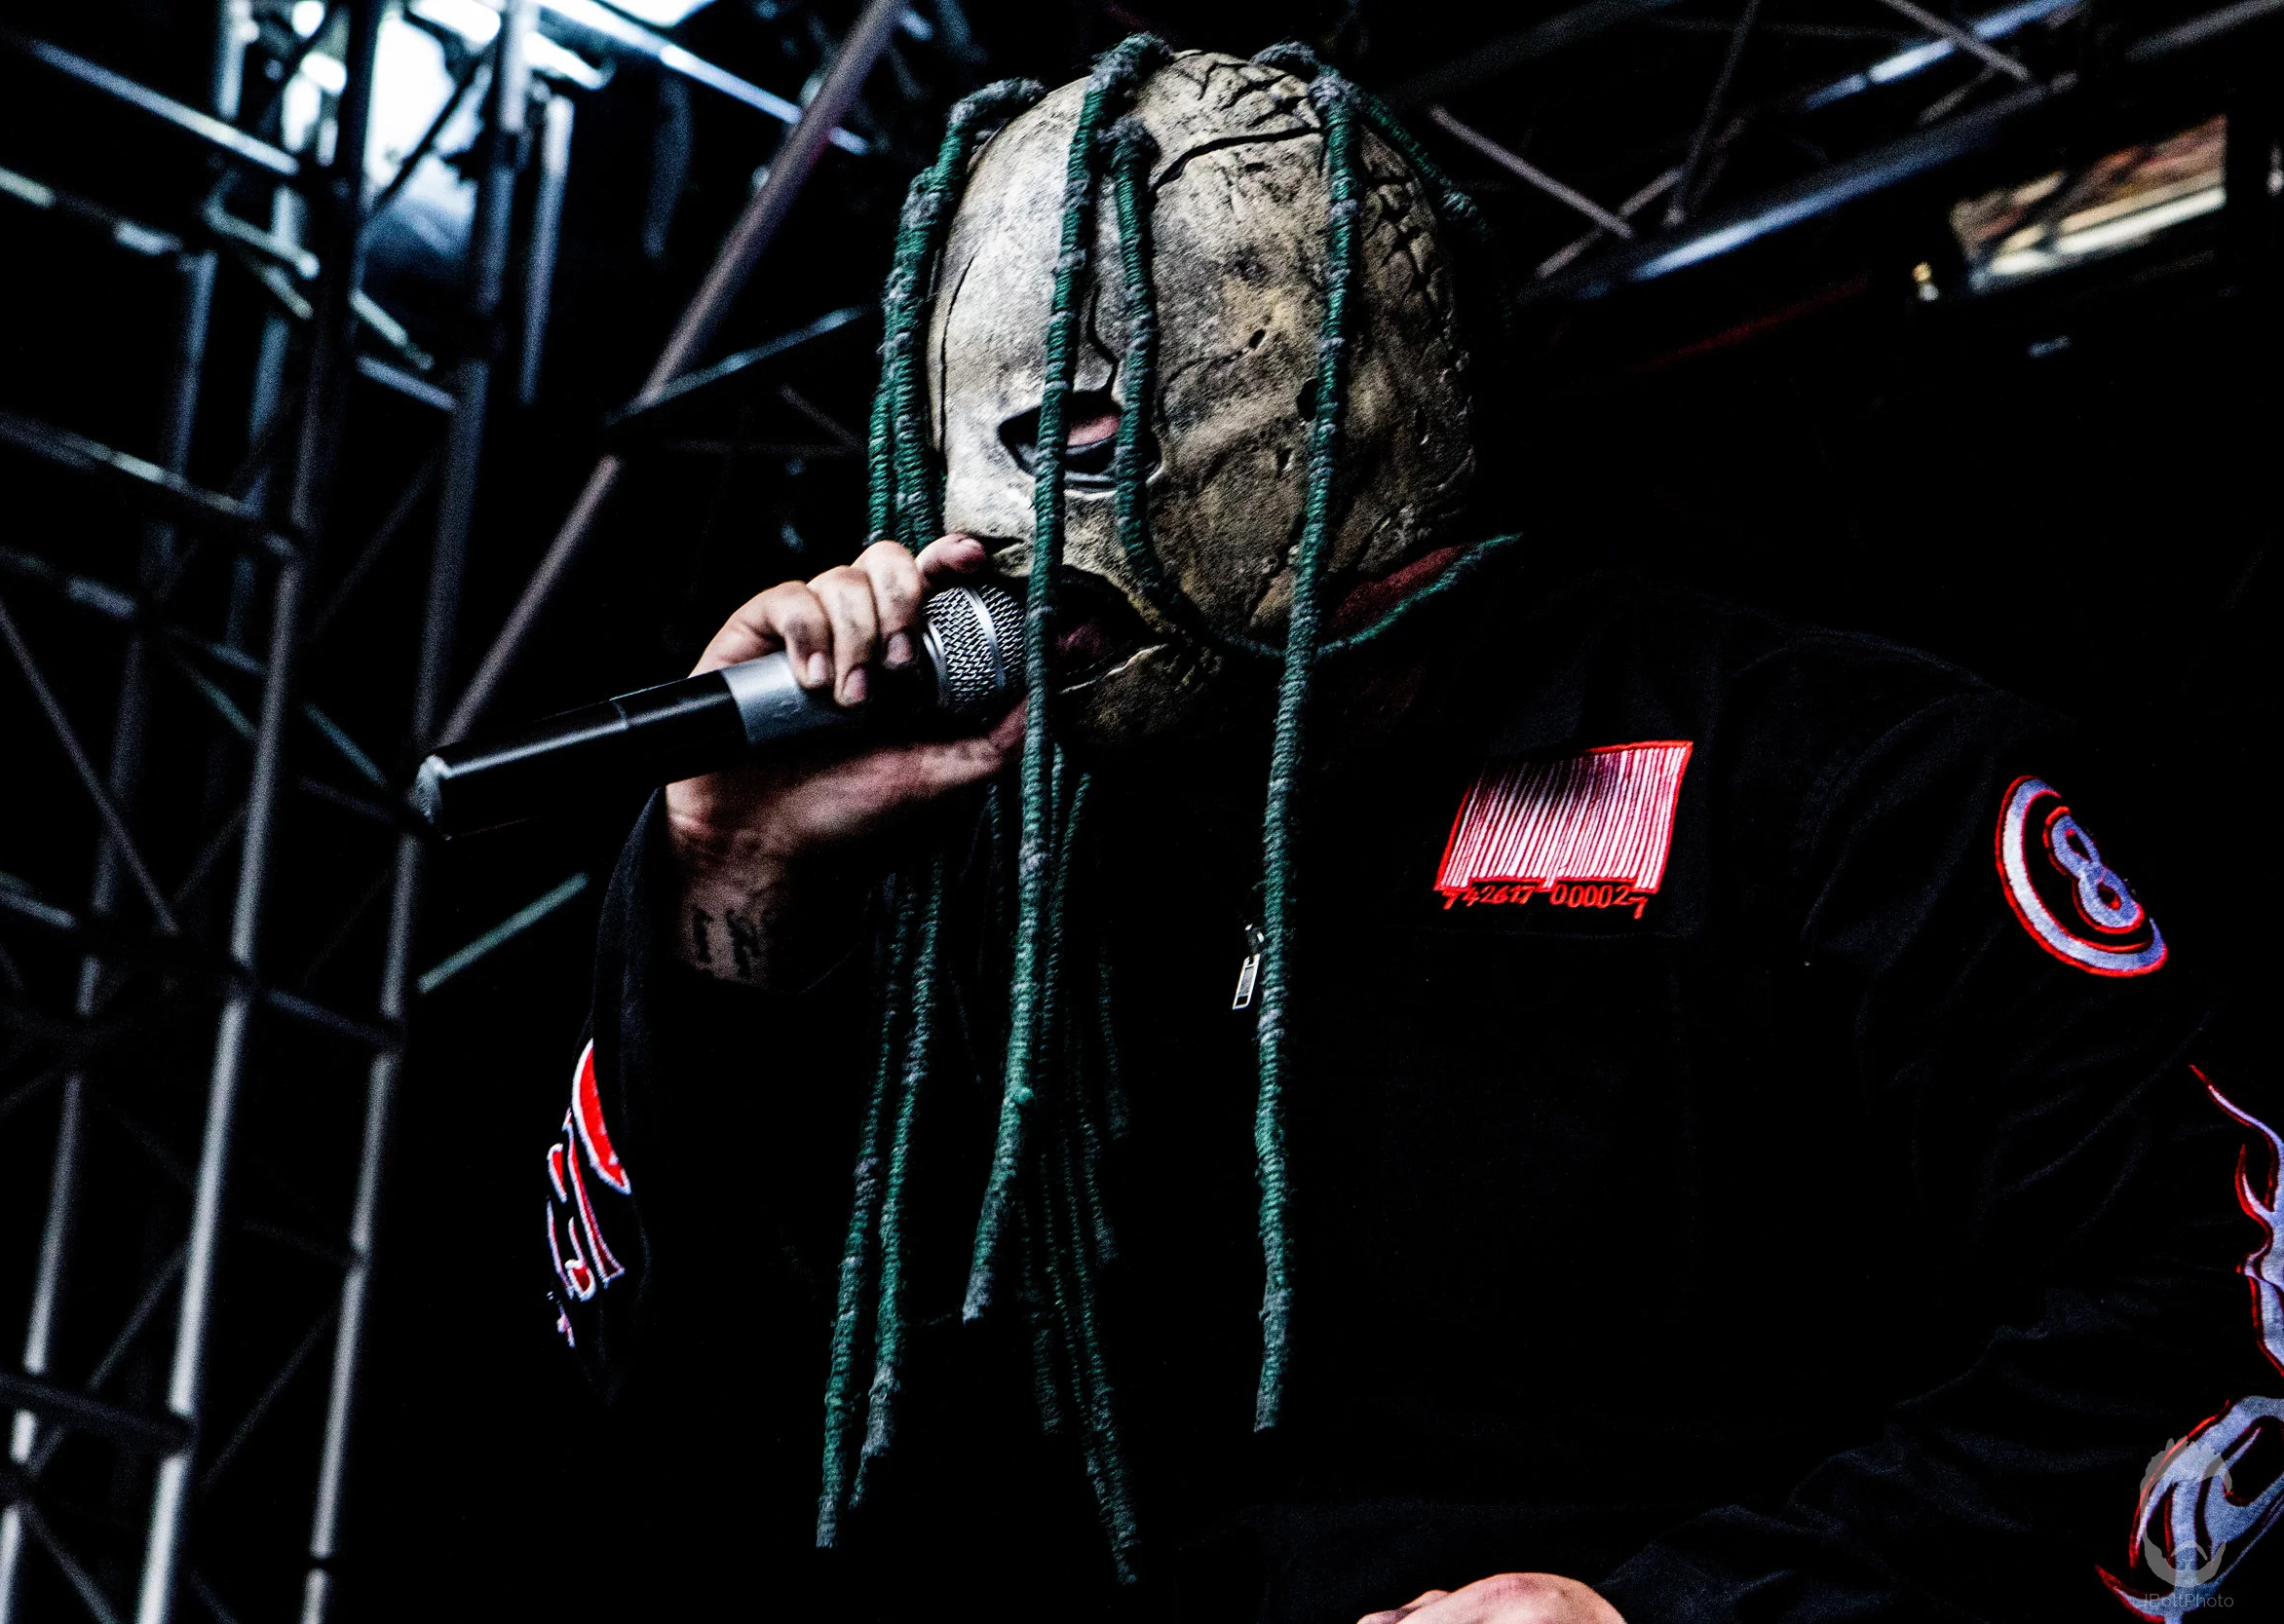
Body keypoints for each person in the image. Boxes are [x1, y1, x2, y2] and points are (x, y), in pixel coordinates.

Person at [539, 42, 2278, 1623]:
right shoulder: (970, 888)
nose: (999, 536)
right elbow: (671, 1408)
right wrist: (724, 892)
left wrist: (1679, 1615)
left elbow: (2218, 1306)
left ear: (1341, 404)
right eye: (961, 451)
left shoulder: (1830, 778)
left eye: (1083, 426)